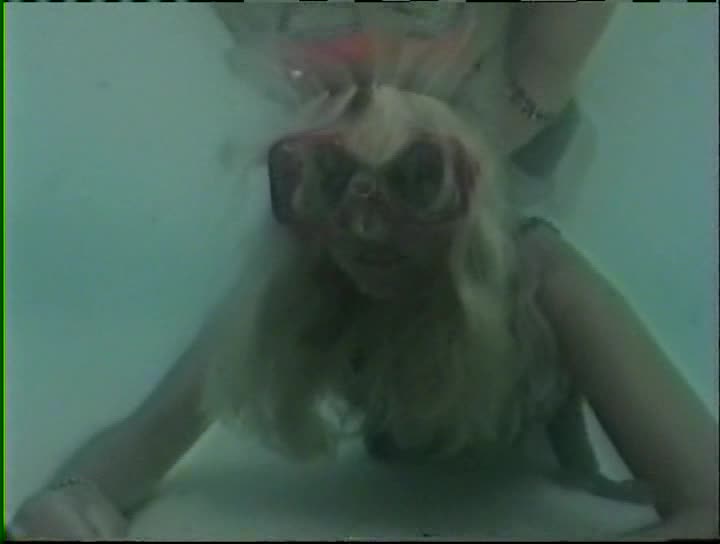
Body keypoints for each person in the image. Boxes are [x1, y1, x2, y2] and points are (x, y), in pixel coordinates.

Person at [8, 5, 718, 541]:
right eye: (329, 181)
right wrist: (68, 503)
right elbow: (124, 458)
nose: (367, 226)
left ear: (474, 198)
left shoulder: (539, 276)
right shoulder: (304, 282)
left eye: (417, 180)